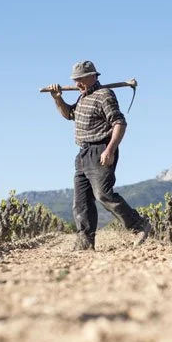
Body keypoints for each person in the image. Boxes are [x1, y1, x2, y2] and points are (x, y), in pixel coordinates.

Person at [47, 60, 151, 250]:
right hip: (83, 153)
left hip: (100, 150)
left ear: (93, 76)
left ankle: (138, 225)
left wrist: (109, 150)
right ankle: (85, 243)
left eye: (80, 79)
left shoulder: (104, 95)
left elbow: (119, 123)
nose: (77, 83)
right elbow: (69, 114)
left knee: (103, 194)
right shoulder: (83, 97)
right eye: (75, 79)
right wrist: (57, 99)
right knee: (81, 202)